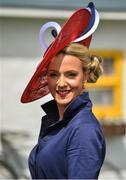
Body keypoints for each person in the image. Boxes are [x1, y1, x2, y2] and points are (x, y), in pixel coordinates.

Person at [21, 2, 106, 179]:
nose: (60, 83)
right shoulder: (59, 122)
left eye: (70, 74)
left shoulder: (83, 129)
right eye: (53, 74)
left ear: (85, 77)